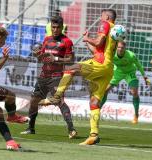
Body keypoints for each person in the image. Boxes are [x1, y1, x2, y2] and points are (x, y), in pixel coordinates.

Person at [39, 9, 117, 145]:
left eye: (102, 15)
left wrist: (88, 39)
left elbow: (98, 42)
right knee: (94, 103)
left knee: (70, 70)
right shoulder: (114, 30)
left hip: (100, 63)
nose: (100, 18)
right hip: (108, 69)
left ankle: (56, 96)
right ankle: (94, 135)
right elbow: (98, 49)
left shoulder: (105, 24)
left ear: (107, 17)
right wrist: (88, 42)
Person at [20, 16, 77, 139]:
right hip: (43, 76)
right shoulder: (47, 39)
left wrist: (56, 58)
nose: (55, 30)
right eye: (53, 27)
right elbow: (42, 57)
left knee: (59, 101)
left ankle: (71, 129)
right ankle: (31, 128)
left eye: (57, 27)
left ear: (62, 28)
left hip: (56, 77)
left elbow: (71, 59)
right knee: (34, 101)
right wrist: (38, 55)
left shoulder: (67, 42)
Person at [100, 41, 151, 124]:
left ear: (125, 48)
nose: (120, 49)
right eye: (119, 47)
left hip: (130, 73)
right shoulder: (112, 54)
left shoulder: (131, 55)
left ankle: (136, 115)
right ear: (116, 48)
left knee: (134, 92)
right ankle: (98, 110)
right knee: (105, 90)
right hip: (118, 72)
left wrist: (145, 77)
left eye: (122, 48)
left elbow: (139, 65)